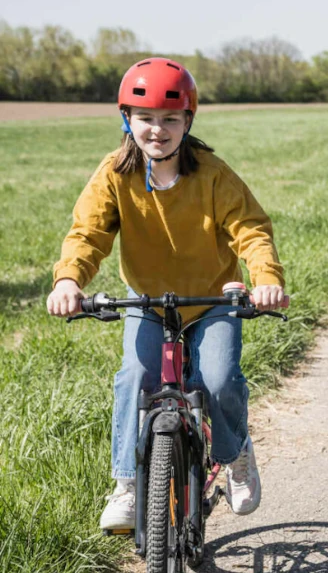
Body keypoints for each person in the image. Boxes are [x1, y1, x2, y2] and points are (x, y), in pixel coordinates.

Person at [47, 57, 285, 530]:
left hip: (213, 302)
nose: (158, 130)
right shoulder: (115, 173)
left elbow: (251, 230)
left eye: (170, 119)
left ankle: (235, 455)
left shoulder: (213, 174)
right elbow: (87, 233)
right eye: (146, 119)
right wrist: (69, 279)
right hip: (148, 302)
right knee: (135, 374)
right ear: (126, 120)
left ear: (187, 122)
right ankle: (128, 485)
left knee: (218, 379)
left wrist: (266, 279)